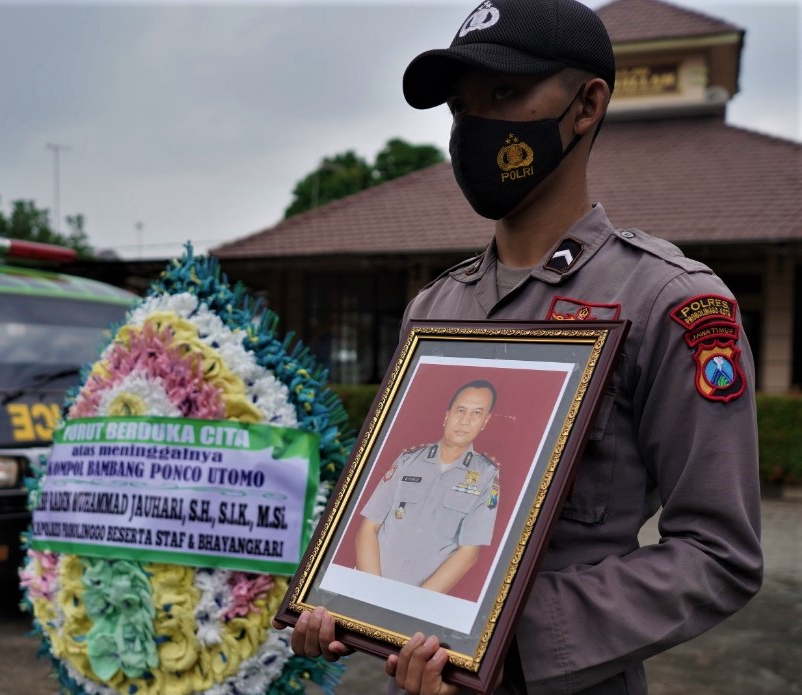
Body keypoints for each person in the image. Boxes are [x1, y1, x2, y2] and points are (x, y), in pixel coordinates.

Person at [273, 0, 763, 693]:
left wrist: (509, 637)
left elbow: (719, 553)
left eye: (505, 94)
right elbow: (383, 498)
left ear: (587, 105)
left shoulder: (667, 299)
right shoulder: (436, 306)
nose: (475, 128)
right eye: (461, 107)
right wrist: (343, 605)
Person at [356, 380, 500, 594]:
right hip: (366, 586)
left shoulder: (487, 475)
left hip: (421, 601)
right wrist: (372, 590)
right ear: (447, 416)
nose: (465, 421)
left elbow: (469, 553)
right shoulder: (407, 461)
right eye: (461, 410)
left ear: (485, 422)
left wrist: (416, 602)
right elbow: (369, 527)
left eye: (476, 414)